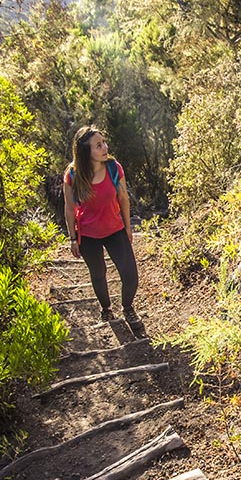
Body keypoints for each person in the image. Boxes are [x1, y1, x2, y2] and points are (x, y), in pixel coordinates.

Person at [63, 125, 145, 335]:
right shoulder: (72, 174)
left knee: (130, 275)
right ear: (85, 152)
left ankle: (128, 308)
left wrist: (128, 227)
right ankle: (106, 309)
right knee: (98, 274)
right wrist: (73, 238)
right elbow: (70, 208)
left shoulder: (113, 168)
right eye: (98, 146)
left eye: (104, 143)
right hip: (88, 234)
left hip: (115, 228)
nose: (105, 148)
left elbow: (123, 198)